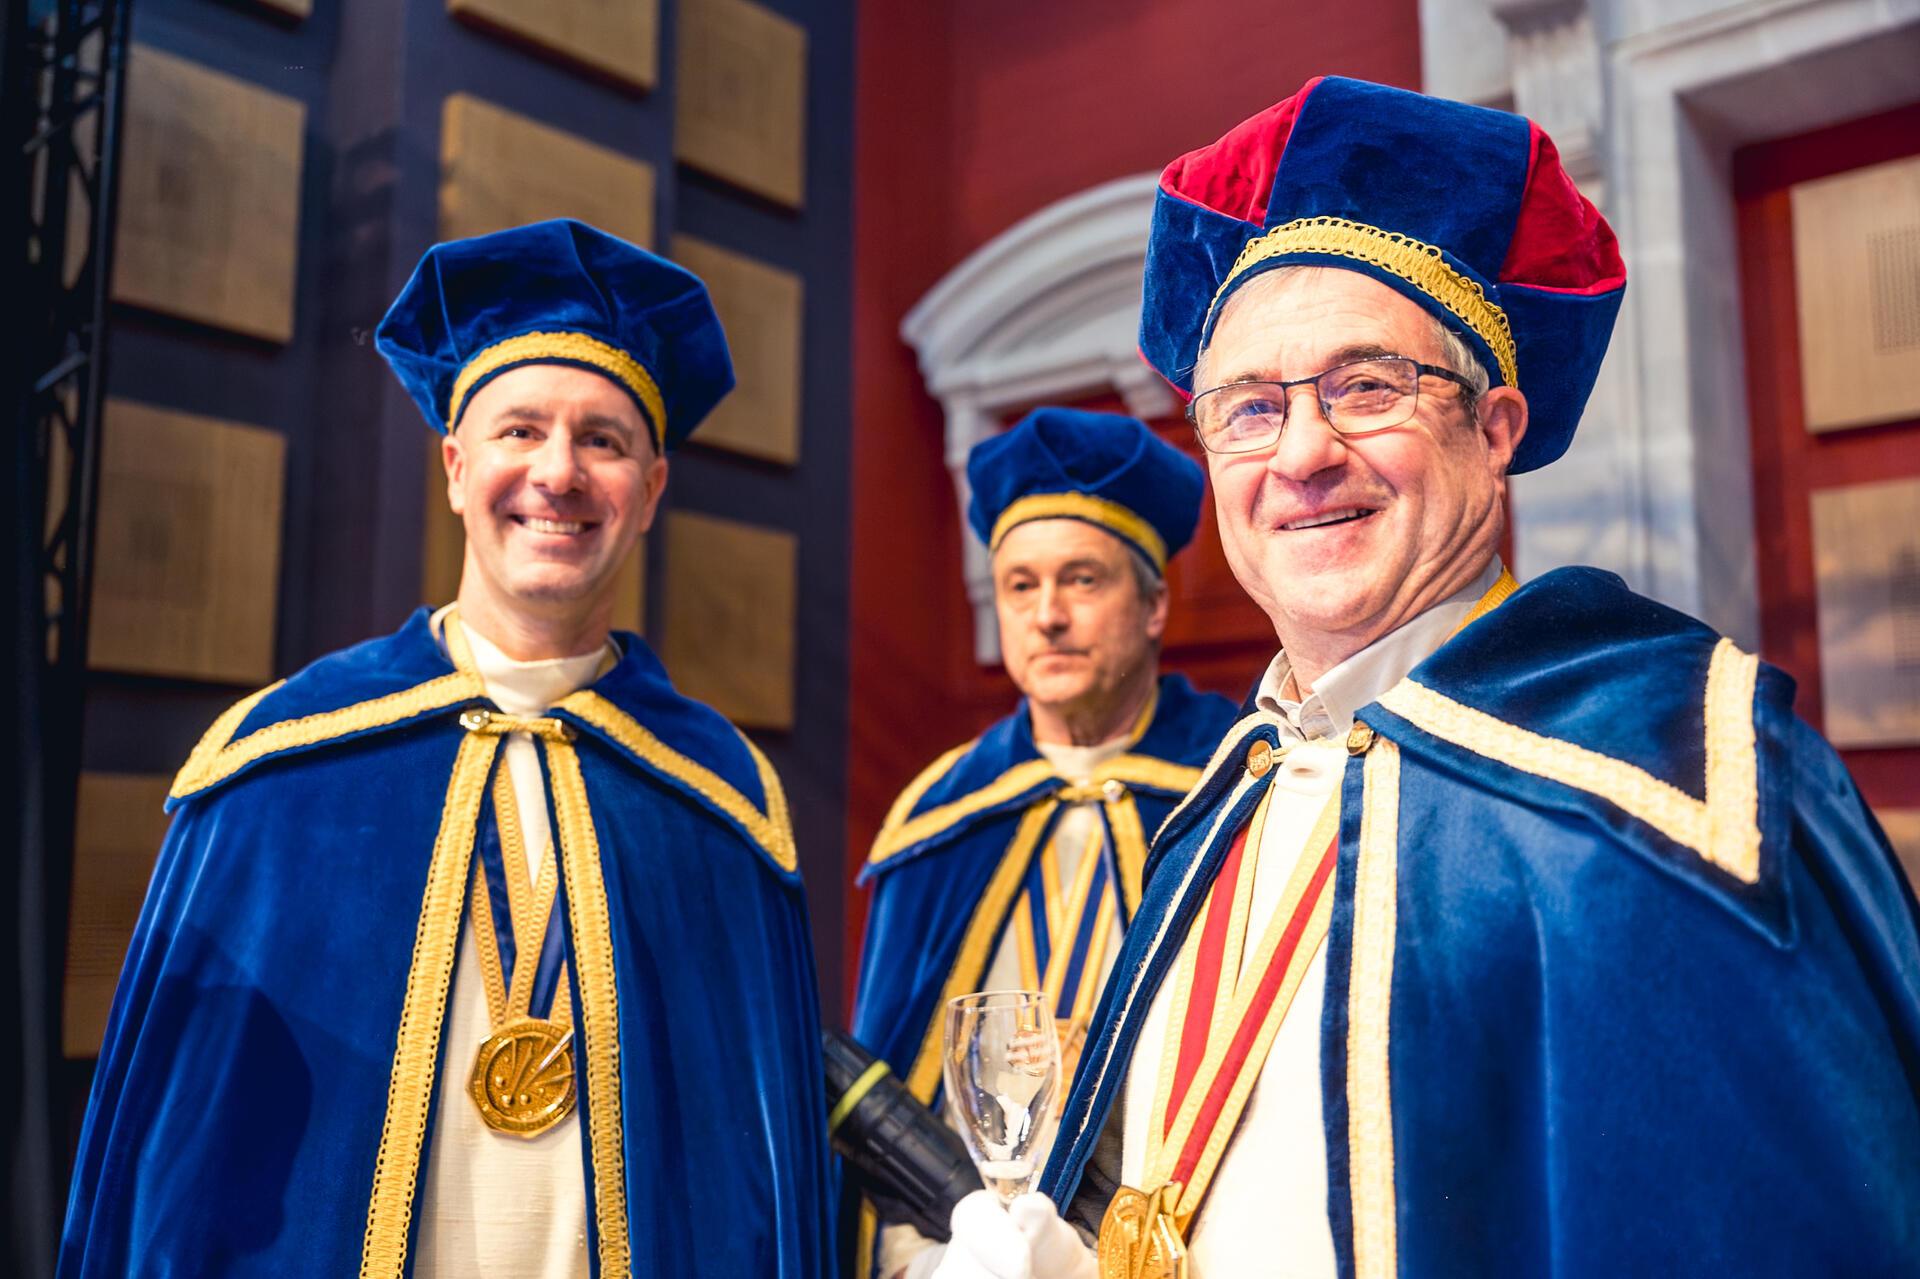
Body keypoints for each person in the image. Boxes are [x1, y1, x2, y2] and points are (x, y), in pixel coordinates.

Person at [936, 76, 1920, 1278]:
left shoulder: (1681, 788)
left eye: (1368, 387)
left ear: (1495, 430)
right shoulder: (1228, 795)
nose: (1302, 452)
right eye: (1248, 408)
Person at [59, 219, 832, 1278]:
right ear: (458, 467)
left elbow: (764, 1187)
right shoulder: (280, 771)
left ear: (651, 490)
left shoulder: (719, 803)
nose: (557, 472)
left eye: (604, 442)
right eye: (521, 429)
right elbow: (169, 1174)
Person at [850, 408, 1238, 1277]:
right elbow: (889, 1075)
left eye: (1082, 579)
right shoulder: (943, 814)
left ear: (1154, 604)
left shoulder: (1235, 783)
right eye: (1020, 586)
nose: (1048, 615)